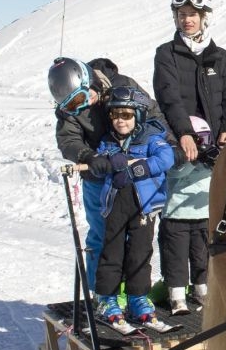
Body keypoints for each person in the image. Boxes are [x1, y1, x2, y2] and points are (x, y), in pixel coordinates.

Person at [50, 57, 161, 291]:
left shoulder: (123, 85)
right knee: (103, 237)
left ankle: (135, 294)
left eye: (82, 97)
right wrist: (87, 156)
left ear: (90, 80)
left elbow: (152, 115)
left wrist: (168, 145)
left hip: (134, 177)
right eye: (72, 105)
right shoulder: (70, 109)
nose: (81, 106)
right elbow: (68, 139)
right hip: (99, 180)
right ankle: (101, 294)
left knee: (136, 238)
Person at [92, 87, 175, 327]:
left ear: (138, 116)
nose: (120, 121)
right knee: (112, 252)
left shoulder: (151, 137)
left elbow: (165, 158)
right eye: (115, 115)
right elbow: (97, 163)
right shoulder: (108, 140)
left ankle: (138, 297)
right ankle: (107, 298)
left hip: (143, 207)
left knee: (140, 253)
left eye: (126, 115)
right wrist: (107, 162)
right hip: (115, 204)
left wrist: (136, 169)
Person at [153, 0, 226, 164]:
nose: (187, 20)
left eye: (192, 14)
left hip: (218, 144)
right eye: (182, 15)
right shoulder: (166, 53)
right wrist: (185, 133)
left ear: (203, 17)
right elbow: (169, 98)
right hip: (183, 144)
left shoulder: (222, 57)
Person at [159, 115, 218, 314]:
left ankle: (202, 289)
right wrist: (194, 159)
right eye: (196, 141)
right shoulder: (175, 161)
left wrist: (215, 160)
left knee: (202, 257)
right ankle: (177, 295)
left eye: (202, 141)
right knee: (176, 258)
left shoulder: (210, 160)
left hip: (203, 215)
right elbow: (175, 173)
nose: (200, 146)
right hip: (176, 217)